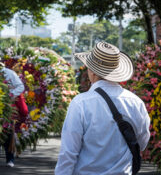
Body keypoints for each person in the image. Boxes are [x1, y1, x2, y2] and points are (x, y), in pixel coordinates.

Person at [55, 42, 150, 175]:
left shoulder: (80, 103)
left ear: (92, 71)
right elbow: (141, 142)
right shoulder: (136, 102)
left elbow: (69, 152)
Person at [0, 54, 28, 168]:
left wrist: (11, 95)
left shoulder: (10, 73)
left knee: (8, 133)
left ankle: (10, 159)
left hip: (8, 108)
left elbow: (20, 86)